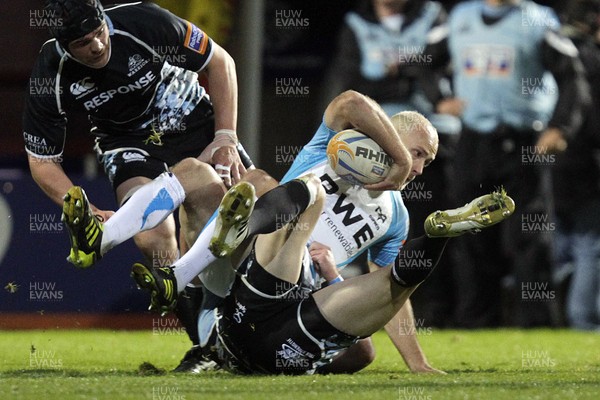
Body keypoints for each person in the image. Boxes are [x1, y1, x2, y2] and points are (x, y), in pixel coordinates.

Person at [128, 90, 513, 374]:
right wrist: (396, 160)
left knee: (365, 348)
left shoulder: (396, 216)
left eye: (427, 161)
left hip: (306, 296)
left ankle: (436, 235)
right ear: (389, 141)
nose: (419, 169)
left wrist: (417, 363)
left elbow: (390, 295)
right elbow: (350, 102)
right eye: (416, 154)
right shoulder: (327, 149)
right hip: (261, 256)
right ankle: (198, 273)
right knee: (263, 183)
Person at [24, 0, 251, 371]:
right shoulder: (50, 71)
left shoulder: (144, 21)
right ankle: (209, 348)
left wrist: (225, 135)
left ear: (104, 18)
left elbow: (220, 60)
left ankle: (261, 323)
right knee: (151, 239)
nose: (96, 46)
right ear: (63, 44)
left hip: (191, 118)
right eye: (83, 42)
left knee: (238, 228)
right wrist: (80, 207)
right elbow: (42, 161)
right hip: (126, 142)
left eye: (98, 32)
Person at [423, 0, 590, 327]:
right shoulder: (460, 18)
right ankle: (476, 322)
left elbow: (573, 75)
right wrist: (438, 98)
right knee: (469, 231)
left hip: (524, 141)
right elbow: (425, 62)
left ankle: (537, 325)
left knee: (530, 238)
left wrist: (561, 126)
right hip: (474, 141)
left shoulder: (538, 20)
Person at [325, 0, 461, 326]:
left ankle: (436, 314)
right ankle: (364, 310)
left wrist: (404, 73)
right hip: (374, 151)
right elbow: (352, 85)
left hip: (430, 145)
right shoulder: (356, 22)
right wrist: (405, 77)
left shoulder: (431, 13)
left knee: (432, 232)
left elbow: (438, 63)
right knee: (375, 237)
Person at [549, 0, 600, 330]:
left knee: (558, 242)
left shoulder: (550, 44)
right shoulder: (590, 57)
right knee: (590, 245)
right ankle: (584, 319)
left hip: (548, 158)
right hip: (584, 161)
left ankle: (556, 317)